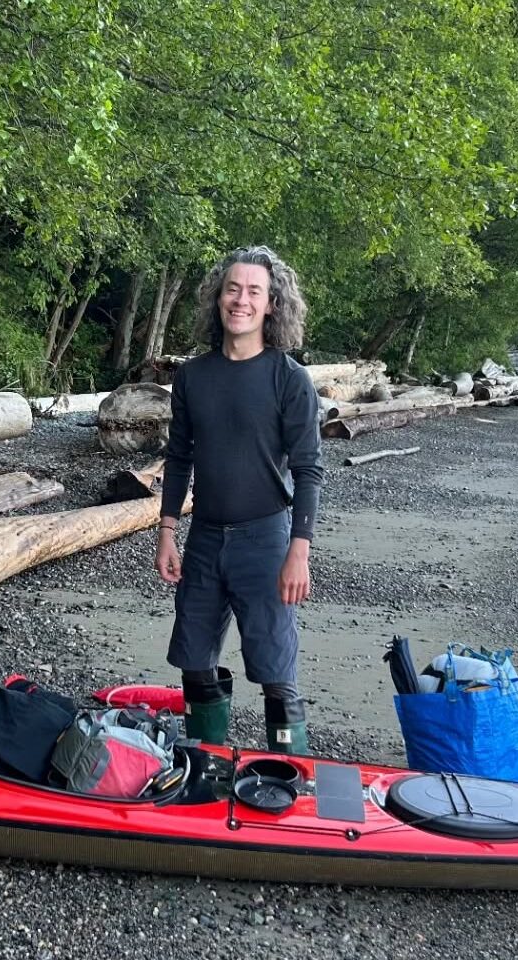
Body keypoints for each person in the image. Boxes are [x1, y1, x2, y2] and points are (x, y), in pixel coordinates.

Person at [154, 246, 324, 754]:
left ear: (272, 304)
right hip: (204, 536)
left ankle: (288, 770)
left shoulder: (288, 379)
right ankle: (205, 764)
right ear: (218, 298)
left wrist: (300, 550)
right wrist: (167, 532)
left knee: (275, 666)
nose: (241, 300)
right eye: (233, 289)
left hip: (266, 538)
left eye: (254, 291)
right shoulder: (193, 376)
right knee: (193, 656)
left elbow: (309, 468)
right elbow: (179, 457)